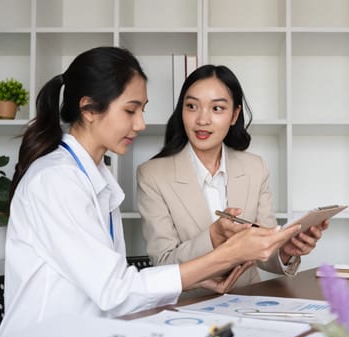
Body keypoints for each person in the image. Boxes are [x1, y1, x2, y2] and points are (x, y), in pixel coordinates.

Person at [0, 47, 302, 337]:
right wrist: (224, 256)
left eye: (142, 110)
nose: (141, 124)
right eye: (131, 110)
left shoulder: (94, 178)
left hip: (91, 334)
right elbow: (115, 291)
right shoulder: (56, 181)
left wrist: (200, 274)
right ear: (89, 109)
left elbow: (114, 289)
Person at [137, 64, 329, 297]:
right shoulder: (153, 175)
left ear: (234, 115)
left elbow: (265, 250)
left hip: (247, 300)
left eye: (217, 108)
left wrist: (285, 250)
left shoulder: (254, 167)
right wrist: (212, 237)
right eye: (191, 106)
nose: (202, 120)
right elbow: (163, 263)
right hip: (188, 305)